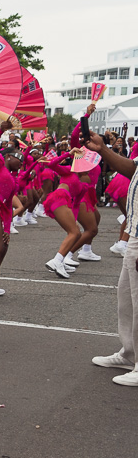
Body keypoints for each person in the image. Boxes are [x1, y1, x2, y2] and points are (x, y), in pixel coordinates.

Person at [85, 129, 138, 384]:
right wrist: (103, 149)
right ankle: (130, 354)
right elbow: (133, 169)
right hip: (135, 231)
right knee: (127, 297)